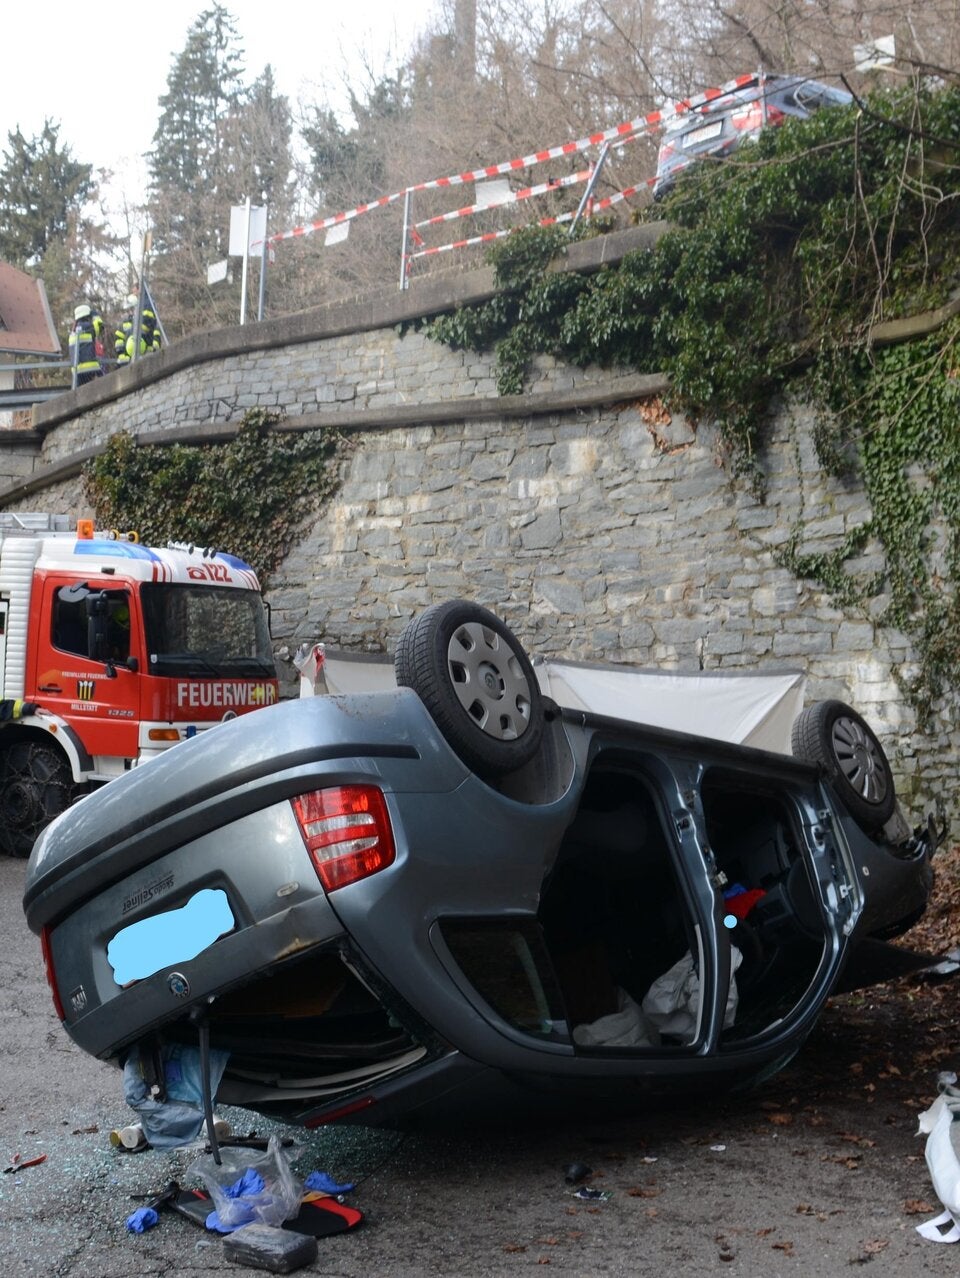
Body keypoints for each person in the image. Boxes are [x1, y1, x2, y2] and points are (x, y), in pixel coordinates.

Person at [115, 292, 162, 364]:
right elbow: (119, 340)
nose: (129, 312)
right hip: (127, 359)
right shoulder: (124, 324)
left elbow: (156, 335)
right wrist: (121, 355)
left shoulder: (145, 322)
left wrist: (152, 349)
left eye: (131, 309)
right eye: (127, 310)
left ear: (137, 308)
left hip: (146, 356)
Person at [69, 304, 105, 385]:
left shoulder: (73, 331)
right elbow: (100, 326)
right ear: (86, 316)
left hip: (77, 370)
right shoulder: (87, 326)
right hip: (90, 367)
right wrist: (95, 315)